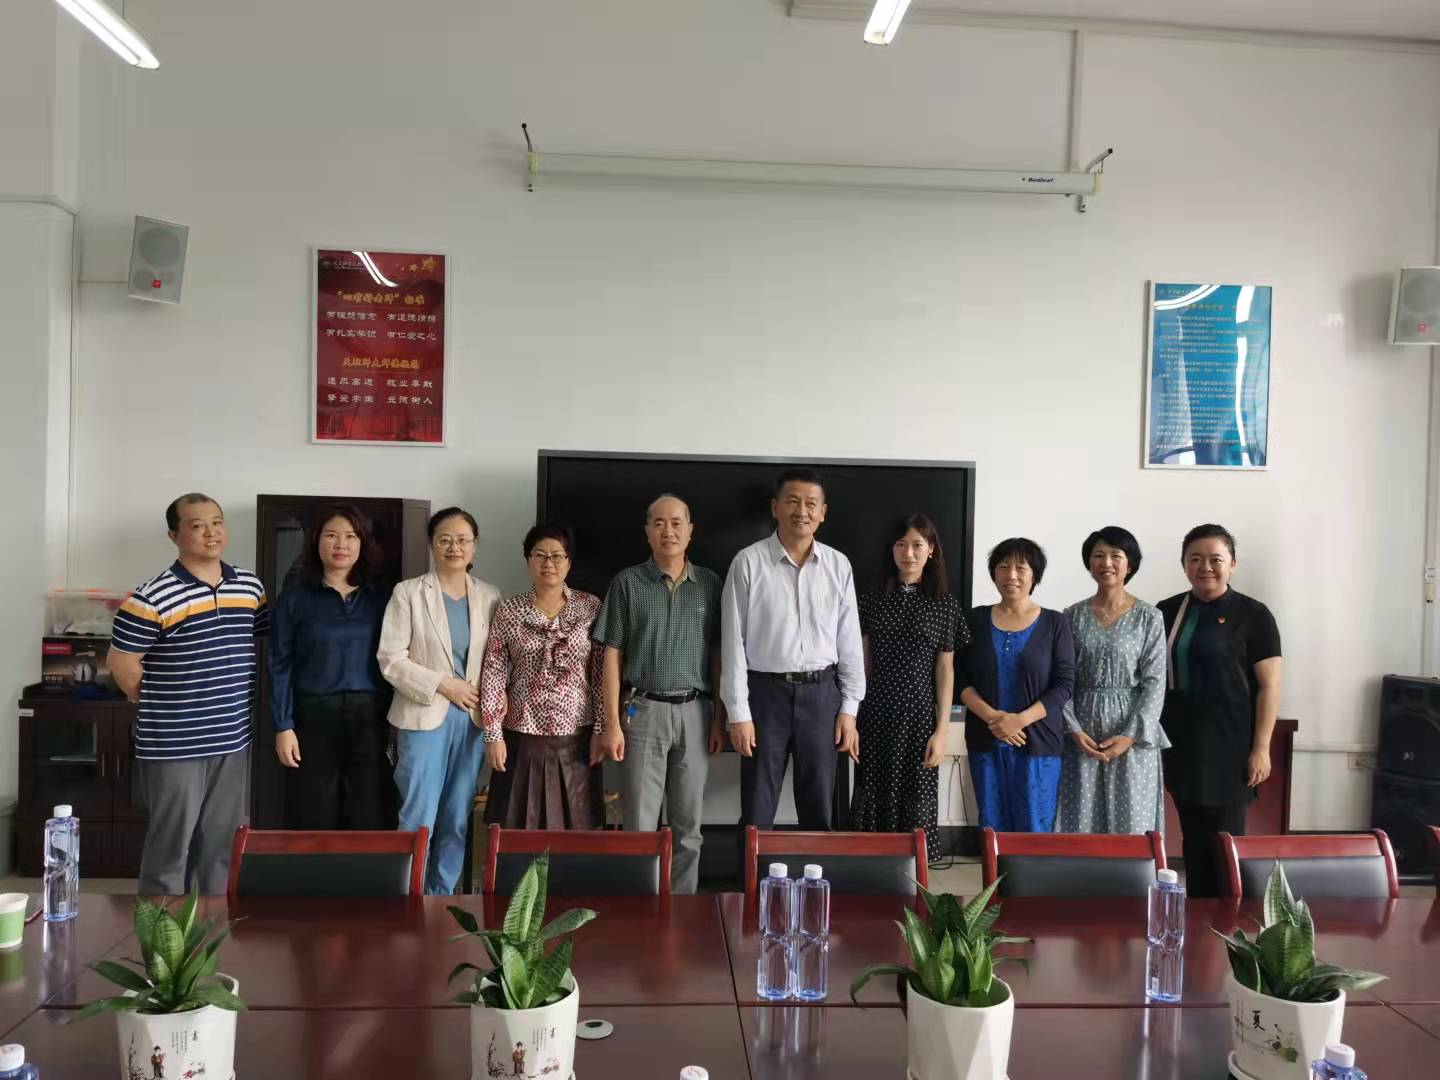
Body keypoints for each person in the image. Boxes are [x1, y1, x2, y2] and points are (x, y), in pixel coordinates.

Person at [108, 493, 269, 895]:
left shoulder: (249, 586)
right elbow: (122, 664)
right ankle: (160, 932)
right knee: (171, 849)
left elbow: (260, 644)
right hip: (174, 745)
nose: (211, 533)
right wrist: (167, 704)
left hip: (233, 739)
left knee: (221, 847)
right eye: (197, 526)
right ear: (174, 535)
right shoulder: (151, 597)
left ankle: (210, 931)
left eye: (217, 522)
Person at [591, 494, 726, 893]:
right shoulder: (627, 583)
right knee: (639, 825)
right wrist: (611, 724)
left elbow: (719, 656)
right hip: (642, 710)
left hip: (695, 713)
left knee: (689, 829)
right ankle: (639, 909)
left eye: (677, 523)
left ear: (690, 531)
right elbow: (611, 656)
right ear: (648, 532)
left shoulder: (710, 585)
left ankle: (683, 909)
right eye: (659, 523)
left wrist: (719, 718)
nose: (669, 531)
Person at [720, 467, 865, 834]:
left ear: (823, 513)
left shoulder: (838, 565)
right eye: (793, 502)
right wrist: (738, 713)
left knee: (819, 807)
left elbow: (849, 641)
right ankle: (752, 874)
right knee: (757, 808)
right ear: (775, 507)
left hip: (822, 695)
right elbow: (732, 642)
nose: (802, 511)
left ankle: (817, 874)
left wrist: (849, 709)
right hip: (764, 695)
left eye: (811, 504)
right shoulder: (748, 562)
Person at [378, 507, 501, 894]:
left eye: (463, 540)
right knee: (417, 818)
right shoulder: (408, 593)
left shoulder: (490, 596)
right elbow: (391, 658)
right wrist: (443, 684)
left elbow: (498, 660)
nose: (454, 547)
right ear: (432, 544)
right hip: (423, 716)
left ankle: (441, 900)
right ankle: (408, 899)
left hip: (472, 721)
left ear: (474, 545)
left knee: (457, 818)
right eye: (445, 539)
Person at [1158, 523, 1282, 897]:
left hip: (1232, 746)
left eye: (1216, 559)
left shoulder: (1254, 615)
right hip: (1182, 744)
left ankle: (1228, 917)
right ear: (1184, 564)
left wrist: (1261, 748)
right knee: (1194, 840)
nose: (1205, 567)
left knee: (1225, 842)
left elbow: (1270, 686)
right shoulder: (1166, 611)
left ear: (1232, 564)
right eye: (1195, 559)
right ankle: (1198, 915)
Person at [269, 504, 394, 829]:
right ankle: (315, 865)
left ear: (362, 543)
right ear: (316, 541)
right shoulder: (295, 598)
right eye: (331, 536)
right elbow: (280, 664)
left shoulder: (382, 597)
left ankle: (365, 865)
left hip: (370, 716)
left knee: (369, 807)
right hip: (313, 714)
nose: (341, 544)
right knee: (314, 806)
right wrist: (283, 726)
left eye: (351, 536)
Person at [851, 513, 966, 856]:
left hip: (919, 718)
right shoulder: (870, 600)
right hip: (875, 714)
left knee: (916, 794)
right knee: (873, 791)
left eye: (918, 545)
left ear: (932, 550)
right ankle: (872, 868)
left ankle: (913, 873)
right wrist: (852, 717)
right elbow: (862, 666)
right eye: (901, 544)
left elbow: (945, 670)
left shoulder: (944, 605)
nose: (909, 553)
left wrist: (941, 731)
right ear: (891, 550)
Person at [481, 521, 605, 829]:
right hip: (522, 733)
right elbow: (493, 671)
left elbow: (601, 673)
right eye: (539, 555)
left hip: (578, 733)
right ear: (528, 560)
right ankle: (524, 868)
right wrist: (493, 735)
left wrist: (601, 728)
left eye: (557, 555)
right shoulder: (510, 610)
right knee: (520, 824)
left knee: (576, 826)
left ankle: (568, 867)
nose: (548, 563)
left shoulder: (590, 607)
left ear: (569, 562)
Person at [1056, 526, 1169, 835]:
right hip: (1082, 733)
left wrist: (1131, 735)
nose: (1106, 563)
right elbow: (1063, 678)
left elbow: (1155, 682)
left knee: (1131, 824)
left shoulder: (1149, 617)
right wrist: (1074, 729)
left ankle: (1132, 872)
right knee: (1080, 821)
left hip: (1131, 733)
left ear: (1129, 564)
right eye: (1098, 556)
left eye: (1115, 556)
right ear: (1089, 563)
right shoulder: (1071, 616)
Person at [958, 538, 1075, 833]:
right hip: (986, 738)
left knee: (1035, 828)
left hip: (1039, 743)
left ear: (1034, 574)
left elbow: (1064, 684)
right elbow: (960, 678)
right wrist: (994, 719)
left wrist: (1019, 721)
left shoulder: (1055, 623)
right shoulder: (974, 619)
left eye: (1021, 568)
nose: (1011, 575)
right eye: (1003, 567)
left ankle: (1033, 870)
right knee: (991, 827)